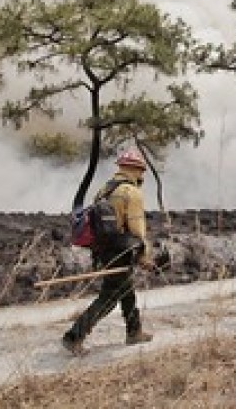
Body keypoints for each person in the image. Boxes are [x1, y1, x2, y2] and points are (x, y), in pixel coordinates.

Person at [62, 148, 155, 355]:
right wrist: (144, 256)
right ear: (135, 169)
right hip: (121, 250)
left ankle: (134, 332)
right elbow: (137, 229)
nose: (142, 176)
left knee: (126, 290)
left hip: (104, 250)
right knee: (110, 297)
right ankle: (74, 336)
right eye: (141, 171)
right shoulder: (131, 192)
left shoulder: (105, 189)